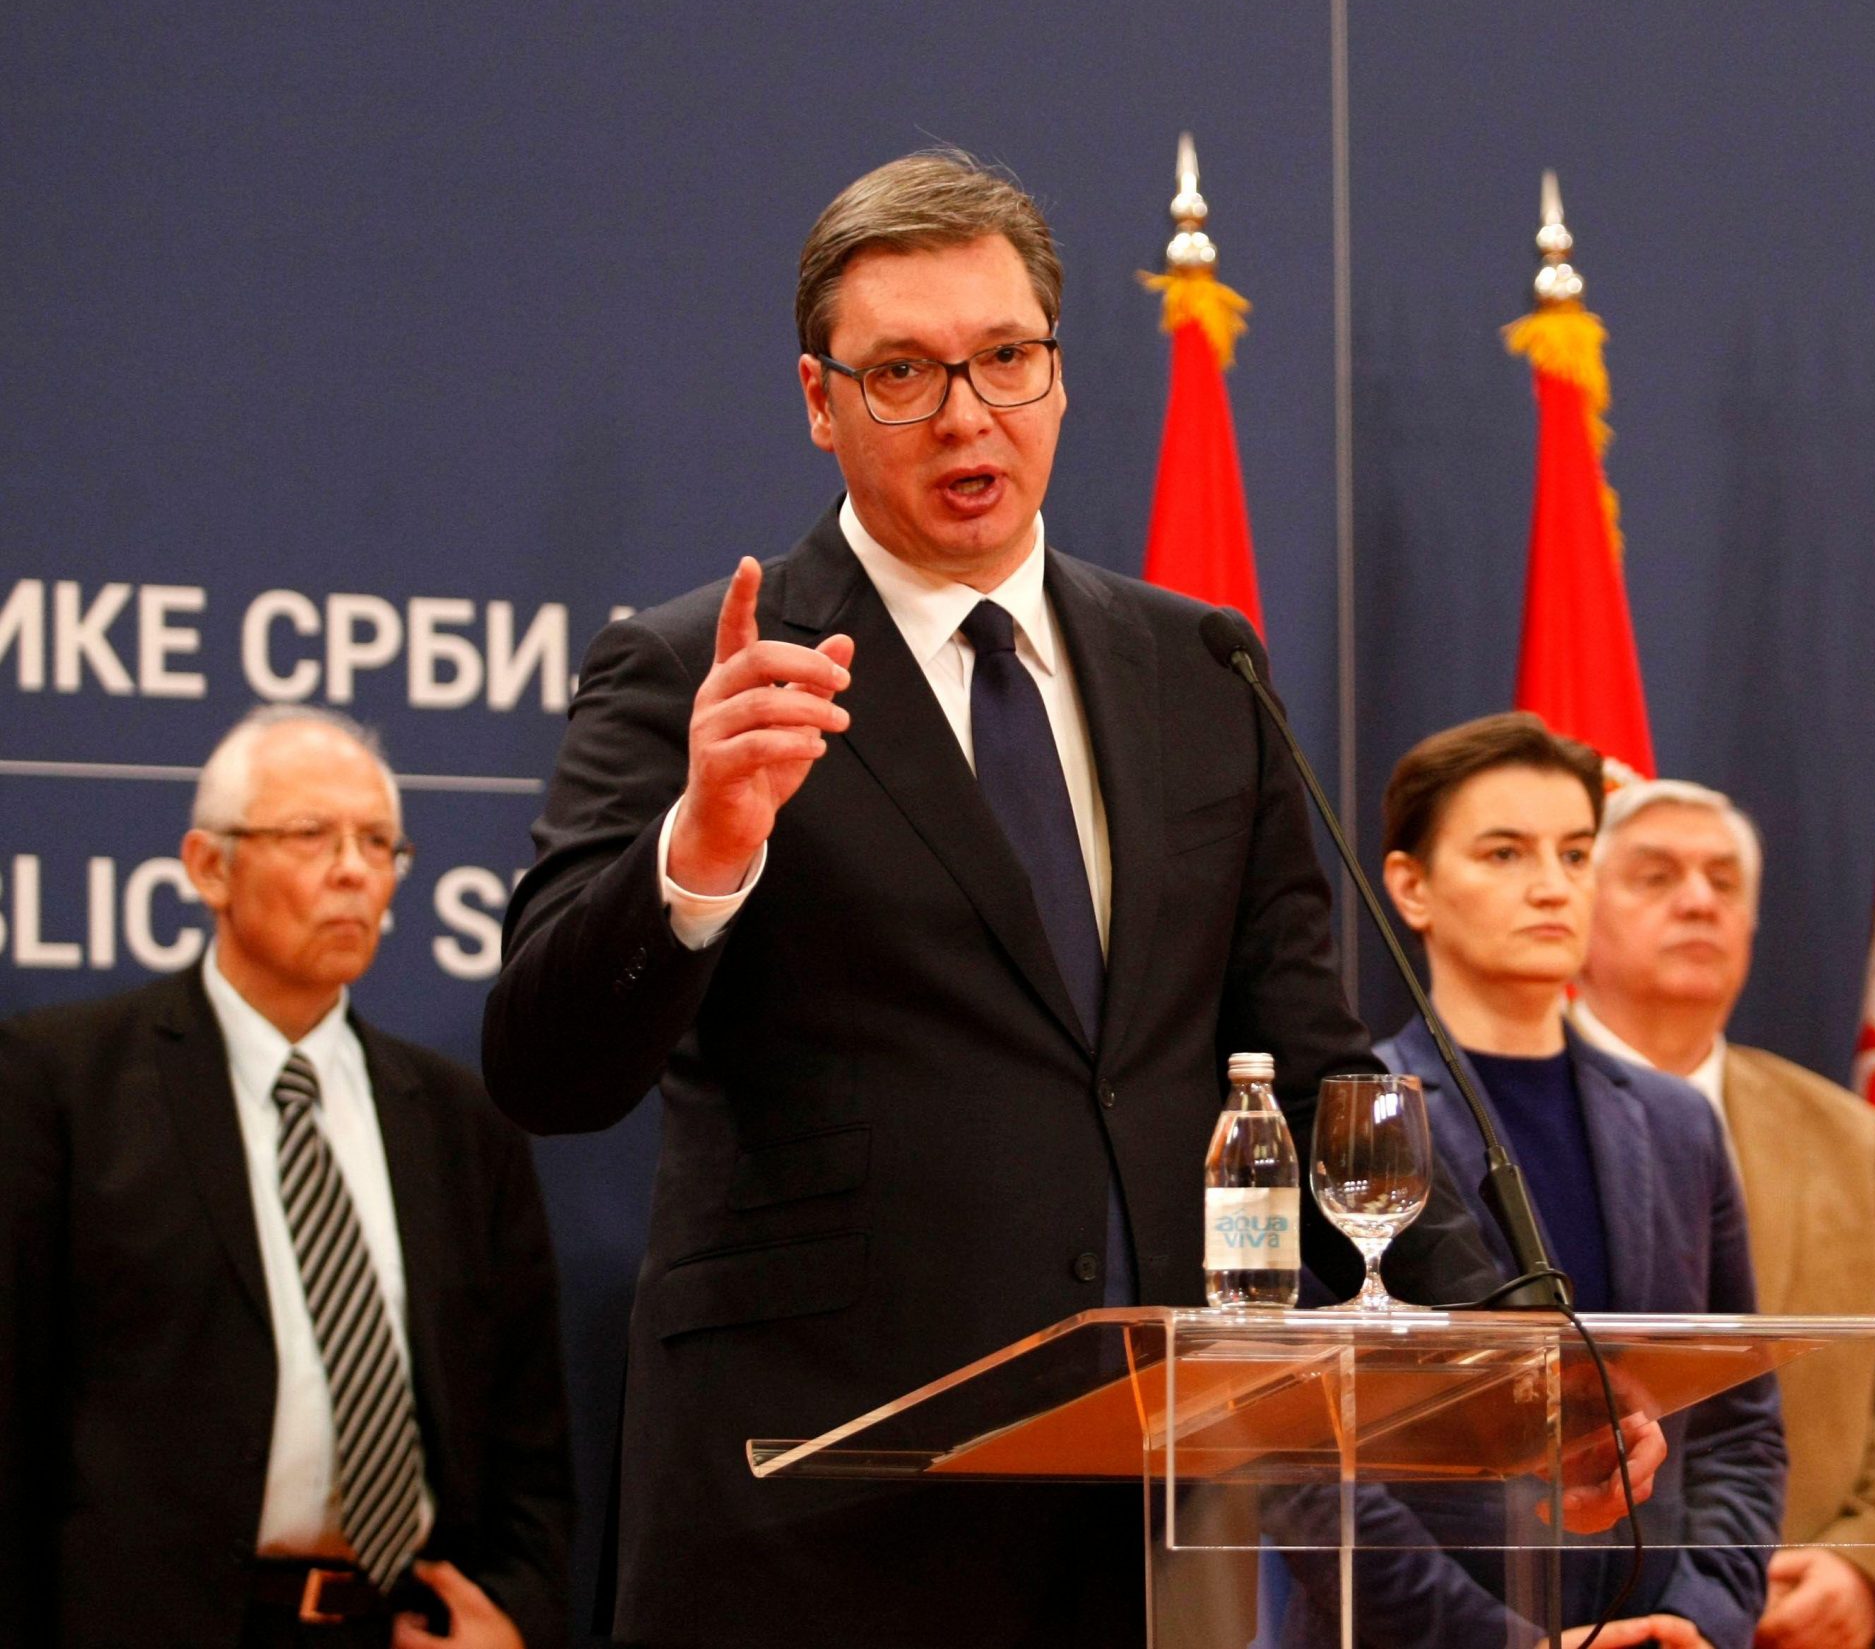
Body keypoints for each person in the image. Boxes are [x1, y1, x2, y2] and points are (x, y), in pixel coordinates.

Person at [479, 150, 1584, 1646]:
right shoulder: (701, 673)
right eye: (902, 374)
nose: (966, 414)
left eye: (1006, 357)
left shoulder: (1201, 667)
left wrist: (1504, 1348)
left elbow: (1307, 1059)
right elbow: (545, 1068)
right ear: (818, 401)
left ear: (1058, 374)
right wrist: (701, 846)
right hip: (820, 1509)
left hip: (1145, 1509)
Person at [0, 706, 572, 1648]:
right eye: (312, 835)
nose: (354, 871)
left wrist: (516, 1618)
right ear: (209, 866)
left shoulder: (460, 1120)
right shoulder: (65, 1085)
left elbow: (530, 1439)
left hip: (406, 1625)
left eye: (378, 842)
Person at [1338, 714, 1785, 1648]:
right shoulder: (1351, 1117)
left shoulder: (1676, 1121)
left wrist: (1700, 1617)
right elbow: (1304, 1460)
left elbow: (1738, 1422)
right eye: (1505, 853)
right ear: (1412, 888)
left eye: (1576, 853)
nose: (1551, 885)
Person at [1573, 779, 1875, 1649]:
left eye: (1724, 881)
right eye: (1657, 876)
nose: (1698, 900)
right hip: (1567, 1616)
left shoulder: (1845, 1134)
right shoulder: (1497, 1115)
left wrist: (1869, 1565)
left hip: (1796, 1616)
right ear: (1578, 907)